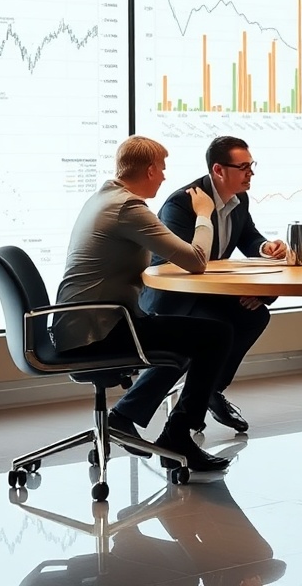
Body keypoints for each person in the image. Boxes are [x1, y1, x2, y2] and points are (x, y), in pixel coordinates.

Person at [54, 136, 232, 472]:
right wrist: (204, 215)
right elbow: (196, 260)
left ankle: (127, 417)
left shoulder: (104, 198)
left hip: (81, 324)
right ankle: (177, 436)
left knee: (181, 335)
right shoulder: (128, 208)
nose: (165, 176)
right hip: (99, 330)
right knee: (216, 334)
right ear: (149, 169)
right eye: (162, 168)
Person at [137, 136, 287, 434]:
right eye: (243, 167)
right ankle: (174, 414)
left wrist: (266, 247)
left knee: (255, 315)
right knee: (217, 330)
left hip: (207, 293)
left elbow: (248, 237)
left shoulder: (239, 199)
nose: (250, 173)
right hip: (174, 296)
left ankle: (210, 391)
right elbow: (180, 264)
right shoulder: (182, 203)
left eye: (251, 166)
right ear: (219, 170)